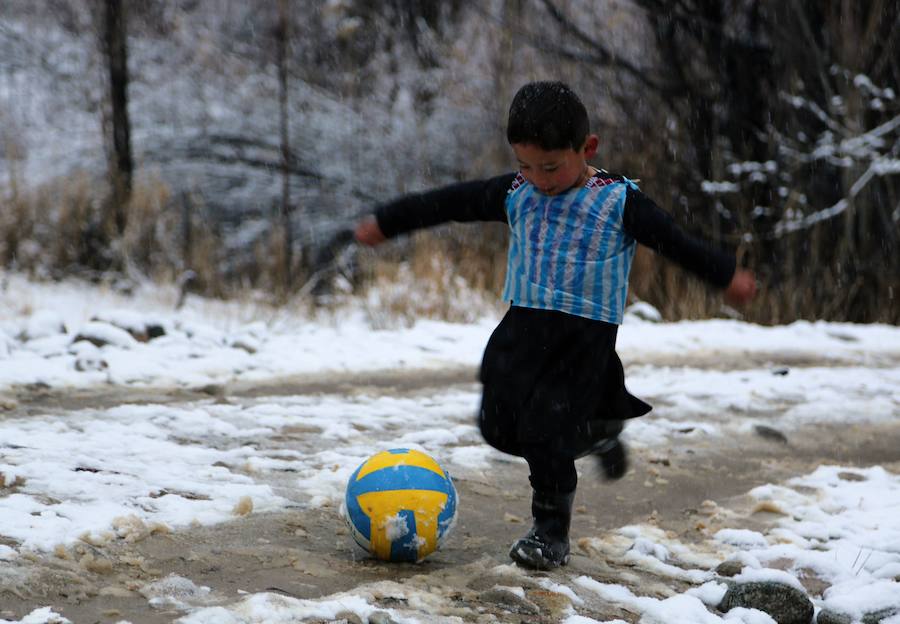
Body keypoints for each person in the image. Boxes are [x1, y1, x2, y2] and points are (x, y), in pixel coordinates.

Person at [354, 81, 757, 570]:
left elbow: (675, 240)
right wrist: (388, 222)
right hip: (522, 328)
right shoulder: (516, 192)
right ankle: (598, 427)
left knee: (544, 432)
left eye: (550, 166)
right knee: (499, 427)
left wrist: (724, 275)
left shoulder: (617, 201)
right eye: (525, 165)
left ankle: (550, 532)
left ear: (586, 149)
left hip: (582, 340)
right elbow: (448, 203)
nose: (538, 179)